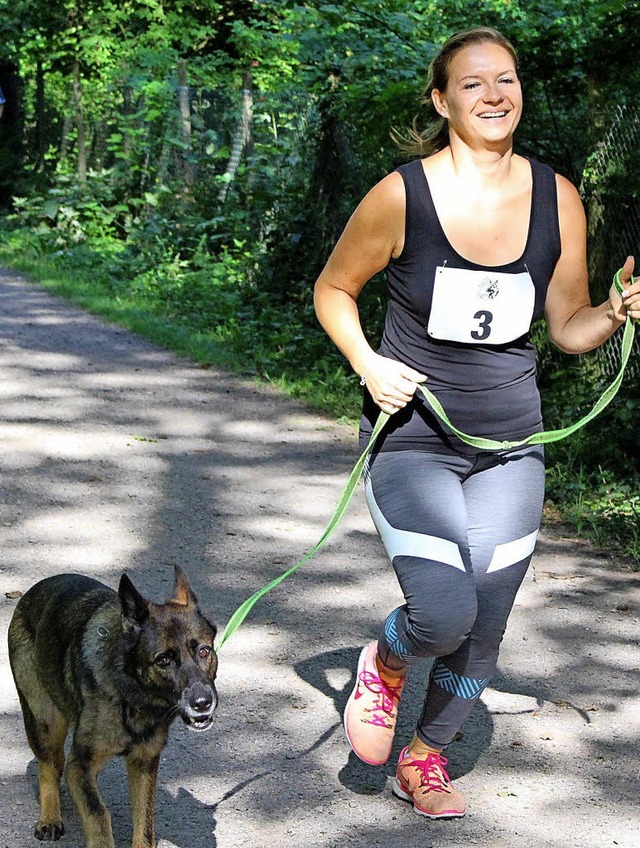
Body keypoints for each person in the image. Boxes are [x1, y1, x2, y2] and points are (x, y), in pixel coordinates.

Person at [313, 26, 639, 820]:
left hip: (510, 446)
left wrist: (616, 312)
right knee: (442, 611)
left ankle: (424, 759)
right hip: (413, 439)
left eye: (508, 80)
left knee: (485, 622)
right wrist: (368, 363)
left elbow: (565, 324)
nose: (496, 96)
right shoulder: (402, 195)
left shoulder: (557, 197)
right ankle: (386, 662)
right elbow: (332, 289)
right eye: (473, 84)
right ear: (442, 101)